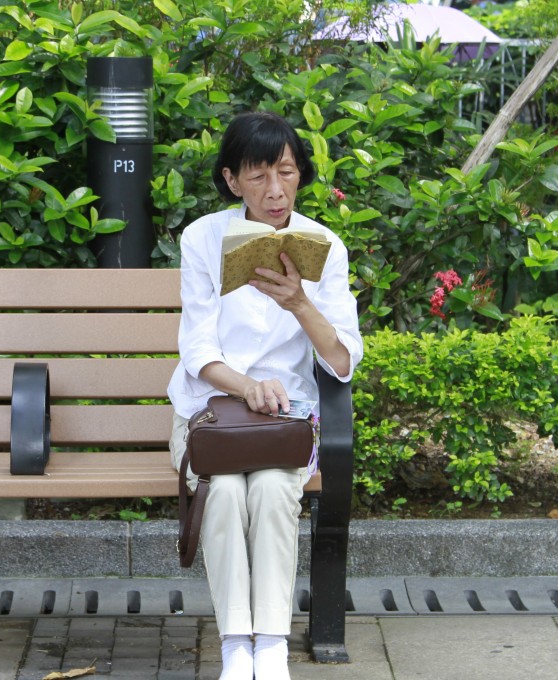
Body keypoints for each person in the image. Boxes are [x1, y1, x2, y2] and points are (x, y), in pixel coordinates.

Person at [167, 111, 363, 680]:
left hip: (286, 423)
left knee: (276, 489)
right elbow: (197, 348)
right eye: (258, 176)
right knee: (225, 492)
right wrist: (247, 386)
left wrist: (300, 303)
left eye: (287, 172)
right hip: (209, 416)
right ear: (232, 180)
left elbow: (342, 361)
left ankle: (271, 644)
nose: (275, 190)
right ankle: (236, 645)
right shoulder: (203, 238)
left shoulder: (323, 246)